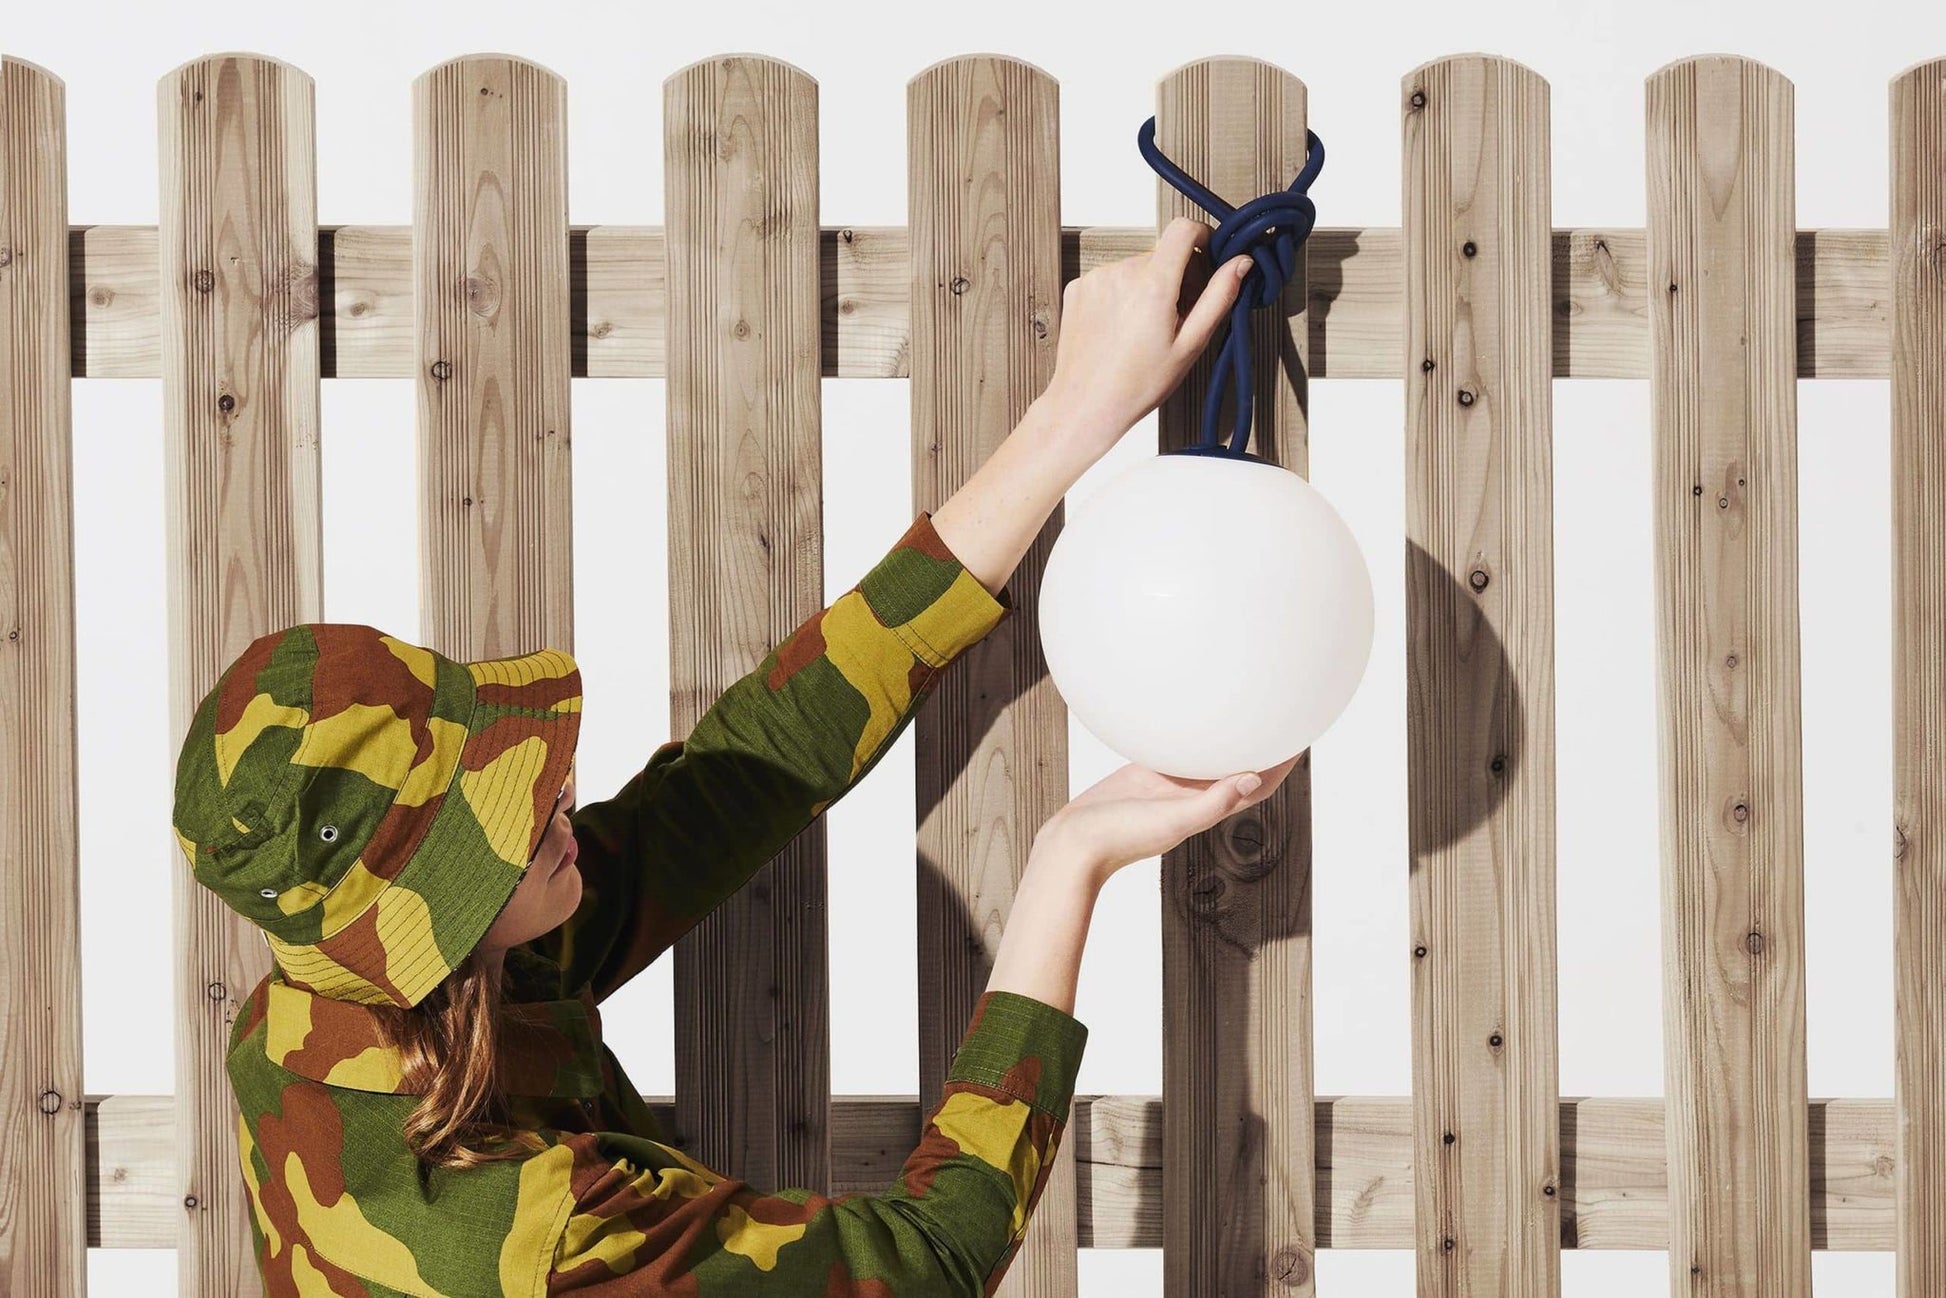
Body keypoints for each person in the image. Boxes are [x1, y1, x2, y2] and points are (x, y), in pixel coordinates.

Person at [171, 215, 1301, 1297]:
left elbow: (747, 768)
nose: (554, 793)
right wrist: (1068, 858)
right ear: (425, 916)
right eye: (491, 825)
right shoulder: (525, 1237)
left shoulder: (330, 1018)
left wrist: (1069, 420)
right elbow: (923, 1269)